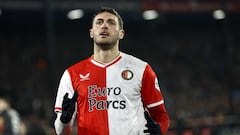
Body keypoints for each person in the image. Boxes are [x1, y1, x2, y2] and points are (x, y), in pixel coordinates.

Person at [54, 7, 170, 135]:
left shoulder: (141, 69)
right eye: (99, 22)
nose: (104, 26)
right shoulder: (71, 74)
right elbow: (61, 132)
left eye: (111, 22)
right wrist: (64, 120)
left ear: (121, 33)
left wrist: (159, 129)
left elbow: (161, 115)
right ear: (91, 32)